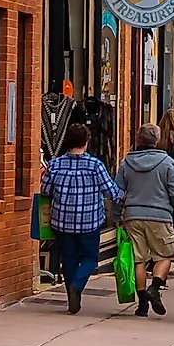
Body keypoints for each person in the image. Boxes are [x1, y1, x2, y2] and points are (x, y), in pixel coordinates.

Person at [39, 121, 121, 313]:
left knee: (68, 260)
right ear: (86, 142)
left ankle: (71, 296)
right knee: (90, 259)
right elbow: (111, 191)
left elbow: (45, 190)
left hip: (62, 221)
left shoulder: (55, 164)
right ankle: (77, 285)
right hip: (89, 222)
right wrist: (122, 195)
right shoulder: (95, 165)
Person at [116, 123, 174, 317]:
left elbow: (117, 189)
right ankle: (154, 289)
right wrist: (171, 206)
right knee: (166, 254)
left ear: (138, 140)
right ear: (156, 141)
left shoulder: (127, 162)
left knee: (139, 259)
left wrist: (119, 212)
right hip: (160, 214)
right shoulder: (166, 162)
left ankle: (142, 305)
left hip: (133, 215)